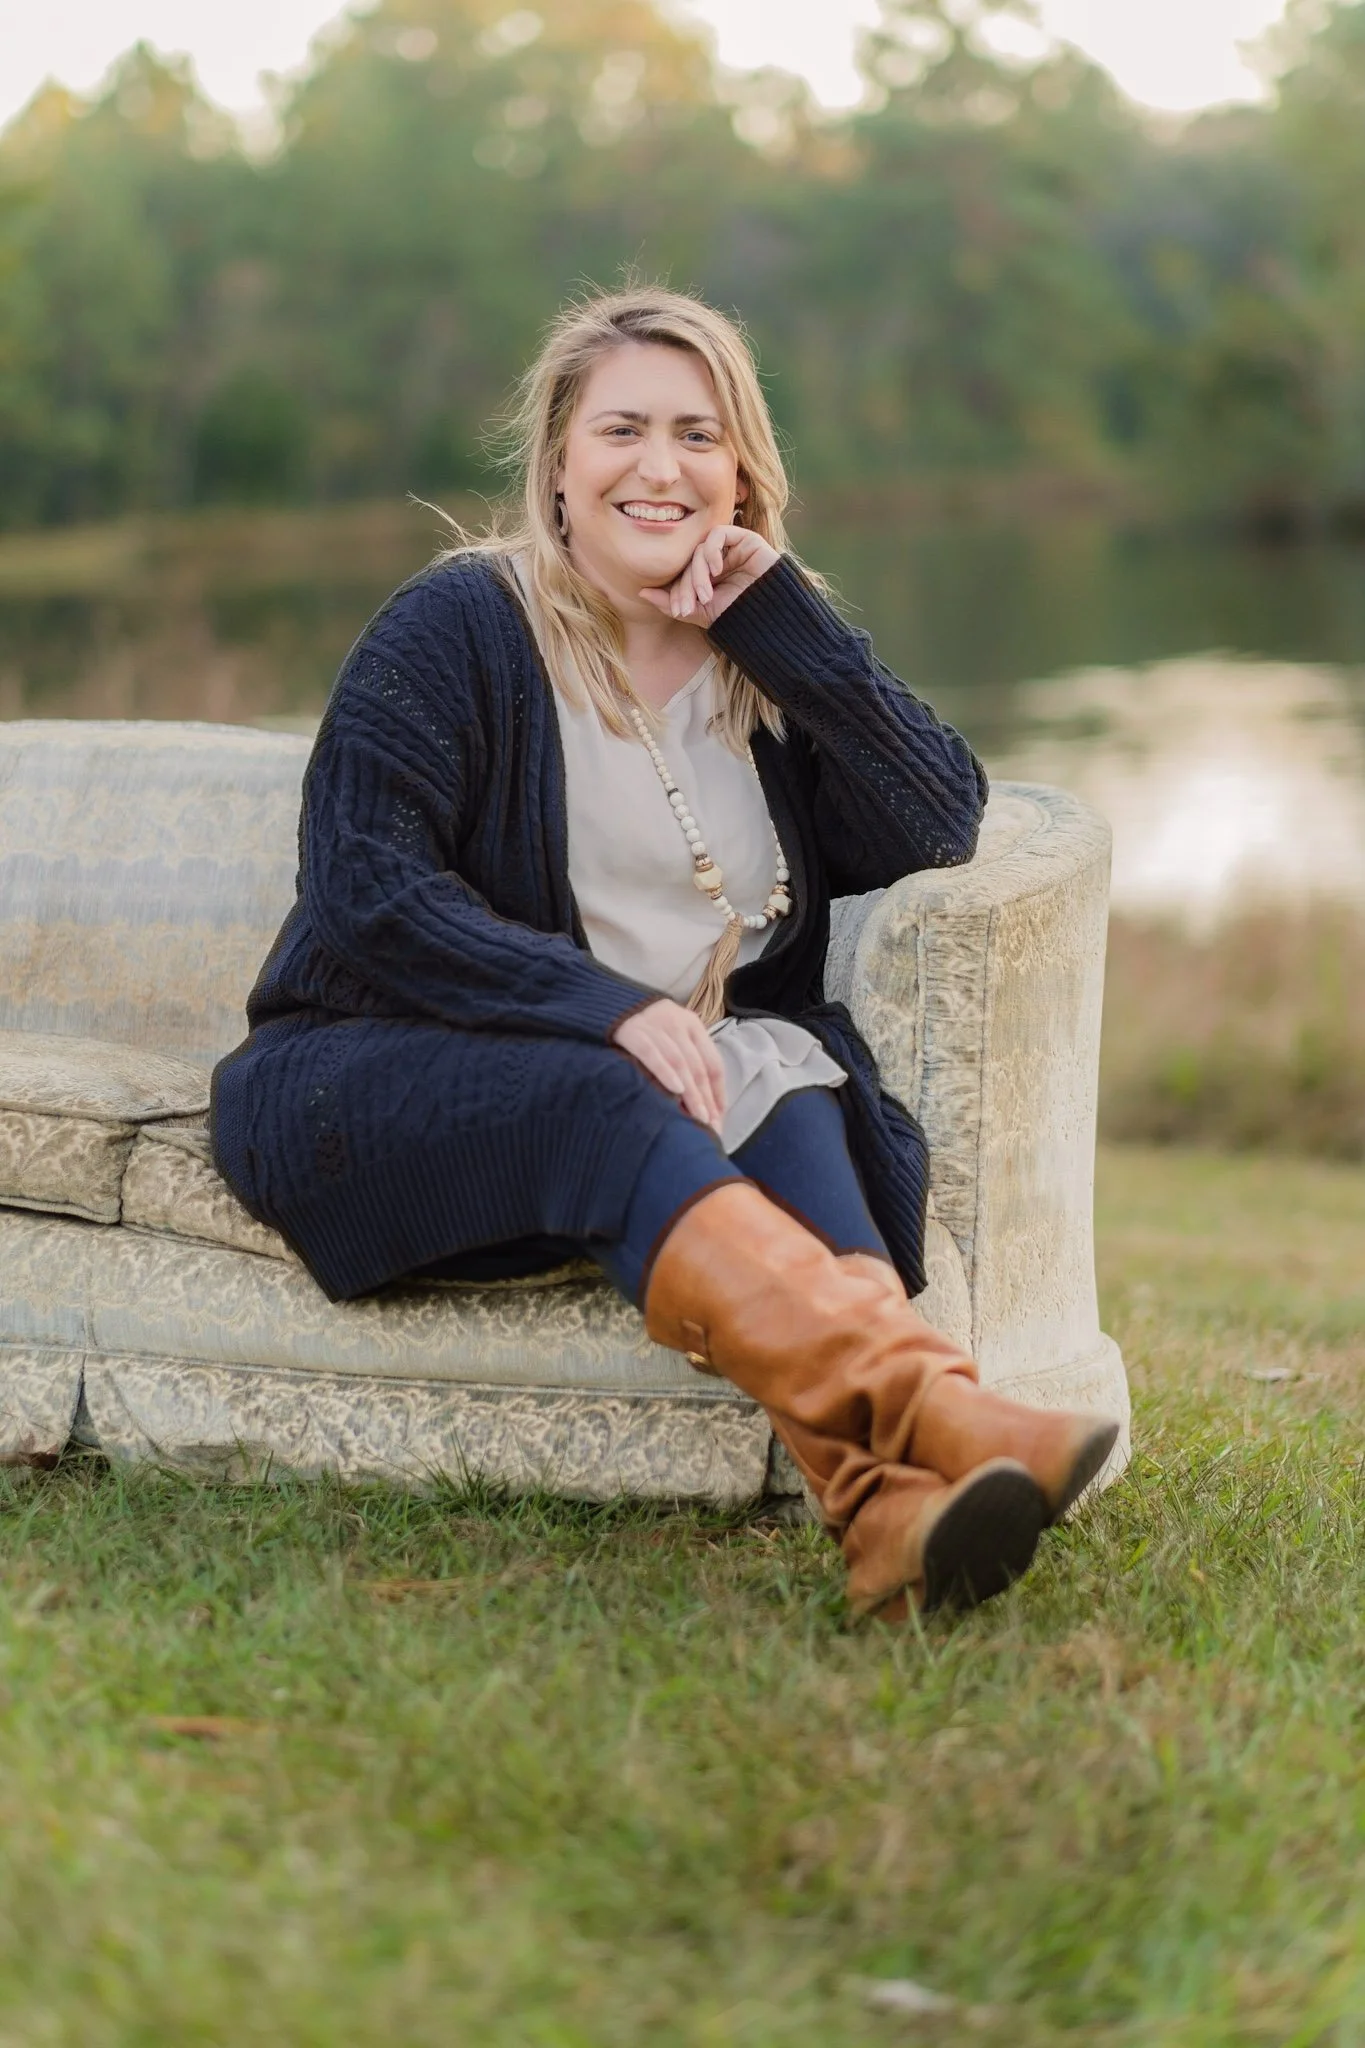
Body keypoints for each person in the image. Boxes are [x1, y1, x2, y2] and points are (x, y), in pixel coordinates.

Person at [211, 285, 1118, 1621]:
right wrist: (601, 1006)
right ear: (558, 467)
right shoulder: (462, 625)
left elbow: (938, 817)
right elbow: (365, 885)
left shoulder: (760, 671)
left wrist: (786, 625)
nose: (661, 466)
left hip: (665, 1081)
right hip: (366, 1077)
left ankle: (888, 1515)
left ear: (741, 471)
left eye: (699, 435)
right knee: (629, 1077)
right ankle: (943, 1406)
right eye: (622, 430)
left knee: (792, 1074)